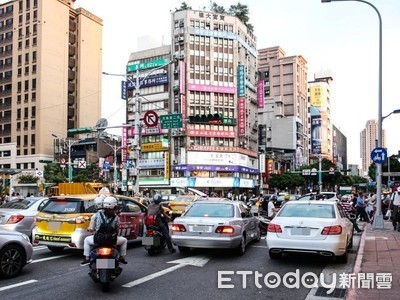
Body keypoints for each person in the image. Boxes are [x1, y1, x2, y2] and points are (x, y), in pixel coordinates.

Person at [81, 196, 128, 266]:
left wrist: (91, 230)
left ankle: (87, 259)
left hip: (98, 239)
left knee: (86, 240)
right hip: (112, 240)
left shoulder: (96, 215)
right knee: (124, 240)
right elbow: (117, 231)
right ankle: (121, 258)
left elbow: (91, 228)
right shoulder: (116, 218)